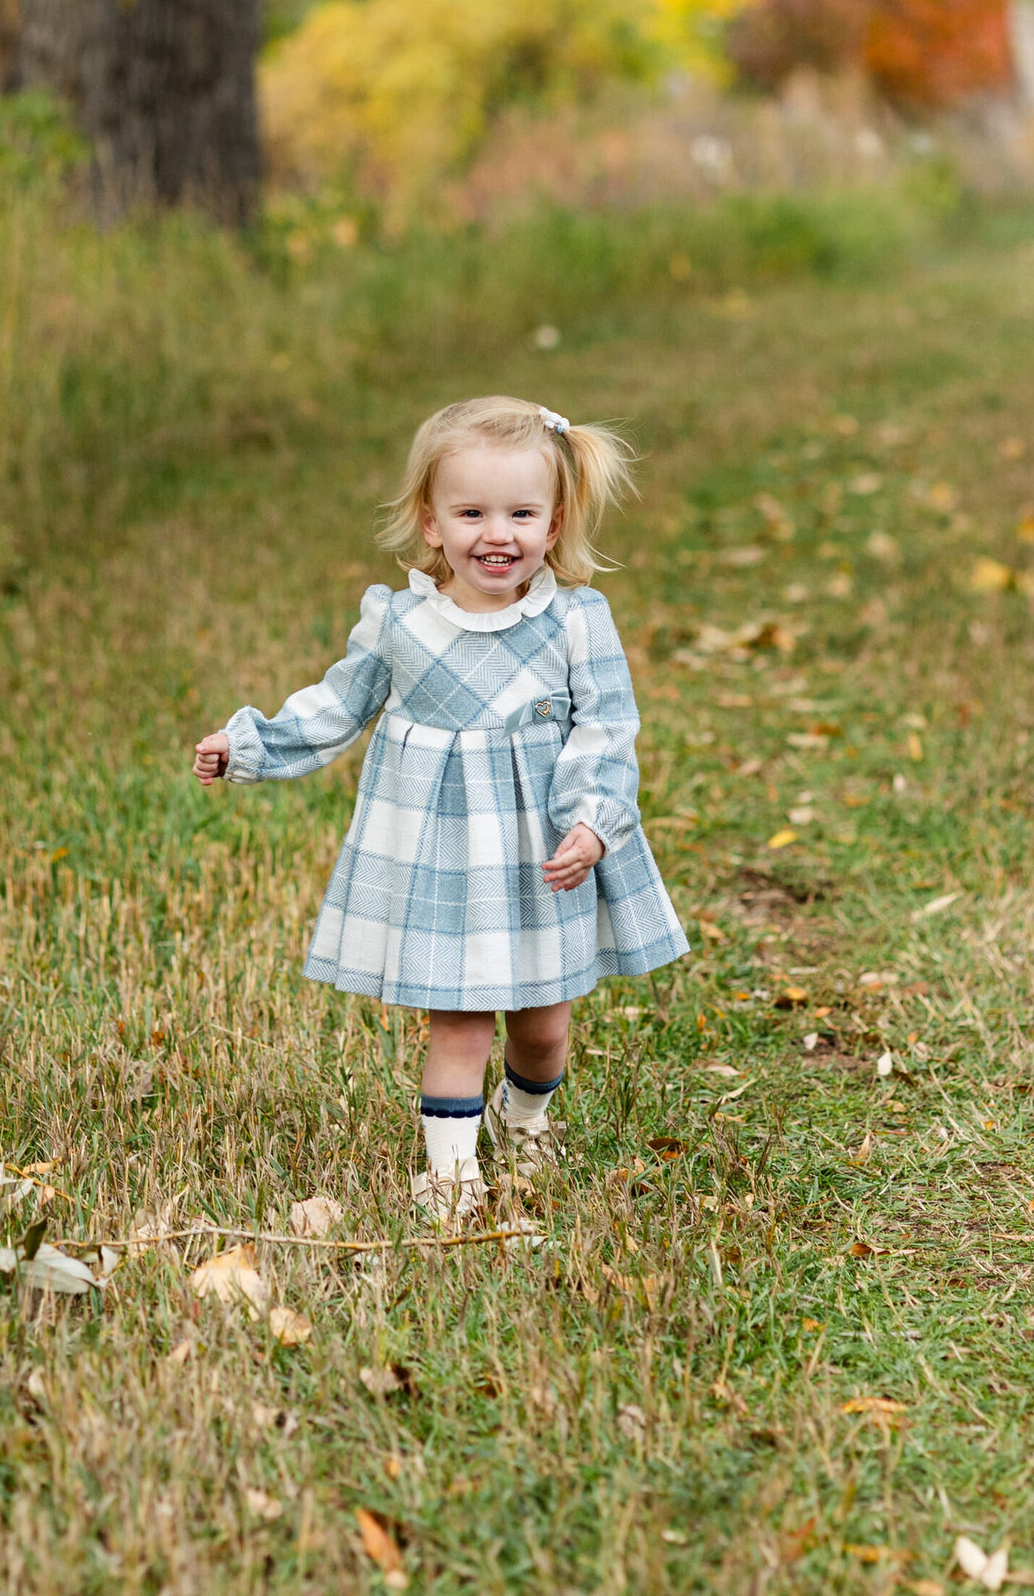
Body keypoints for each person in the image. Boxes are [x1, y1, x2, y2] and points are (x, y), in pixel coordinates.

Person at [193, 396, 688, 1222]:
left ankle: (524, 1117)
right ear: (431, 523)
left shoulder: (573, 620)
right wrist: (250, 745)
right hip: (442, 859)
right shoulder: (401, 622)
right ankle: (450, 1177)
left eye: (521, 513)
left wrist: (594, 822)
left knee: (542, 1028)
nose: (498, 533)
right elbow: (337, 707)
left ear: (555, 521)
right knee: (458, 1026)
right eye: (472, 512)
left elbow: (606, 729)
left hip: (543, 855)